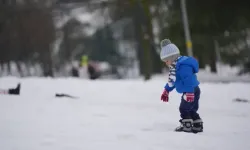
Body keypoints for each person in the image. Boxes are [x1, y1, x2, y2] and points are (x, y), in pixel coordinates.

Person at [160, 39, 203, 133]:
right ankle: (197, 124)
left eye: (166, 60)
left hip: (191, 90)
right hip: (192, 90)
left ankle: (186, 125)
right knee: (191, 109)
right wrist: (166, 90)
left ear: (171, 58)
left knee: (183, 108)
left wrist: (189, 93)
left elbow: (188, 80)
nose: (165, 63)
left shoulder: (183, 66)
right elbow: (174, 81)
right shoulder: (176, 68)